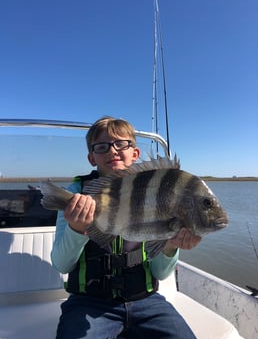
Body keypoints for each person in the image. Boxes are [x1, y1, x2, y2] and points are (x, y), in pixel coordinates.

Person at [51, 116, 201, 339]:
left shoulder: (157, 192)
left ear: (135, 153)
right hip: (89, 304)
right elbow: (62, 264)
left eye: (121, 144)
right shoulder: (77, 195)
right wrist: (76, 228)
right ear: (92, 158)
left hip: (146, 301)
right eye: (102, 146)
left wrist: (170, 245)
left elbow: (161, 273)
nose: (113, 151)